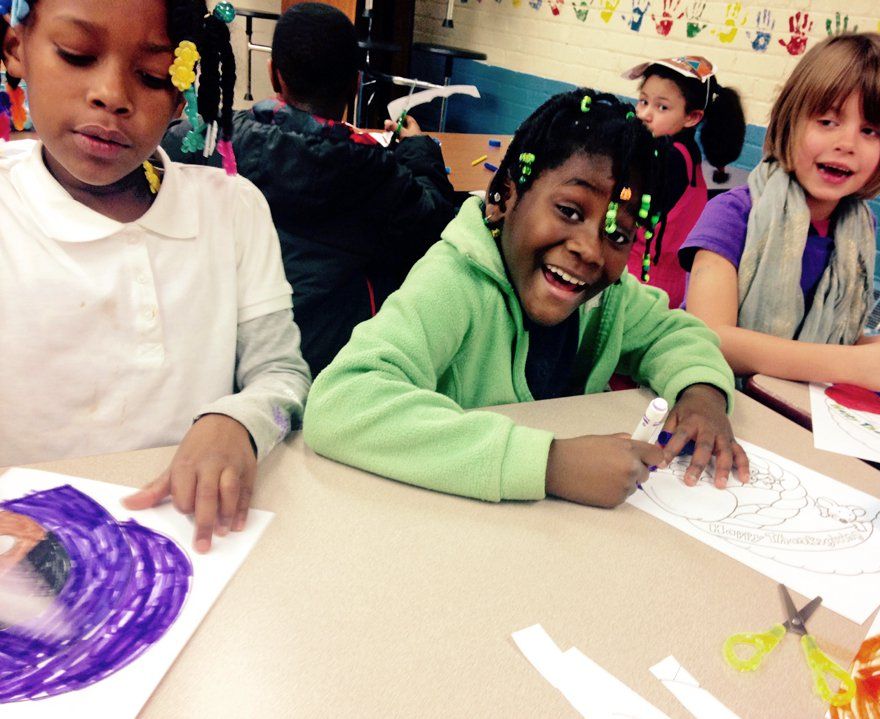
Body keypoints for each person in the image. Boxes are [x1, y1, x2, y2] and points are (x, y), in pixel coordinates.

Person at [303, 89, 750, 509]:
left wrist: (702, 394)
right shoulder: (455, 281)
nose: (591, 250)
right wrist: (551, 464)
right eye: (570, 211)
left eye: (616, 233)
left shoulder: (605, 299)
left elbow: (675, 333)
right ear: (504, 196)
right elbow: (341, 401)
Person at [0, 0, 312, 552]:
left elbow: (282, 376)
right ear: (16, 48)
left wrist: (238, 421)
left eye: (151, 75)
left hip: (191, 545)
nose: (113, 96)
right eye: (76, 55)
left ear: (181, 94)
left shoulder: (232, 210)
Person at [163, 2, 458, 377]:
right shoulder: (374, 175)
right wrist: (419, 147)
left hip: (219, 360)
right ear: (354, 86)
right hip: (329, 370)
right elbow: (436, 226)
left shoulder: (200, 146)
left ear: (274, 76)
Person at [681, 33, 880, 401]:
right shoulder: (733, 214)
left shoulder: (859, 230)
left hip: (796, 414)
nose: (847, 143)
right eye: (827, 121)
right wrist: (853, 362)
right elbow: (710, 337)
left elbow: (822, 334)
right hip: (710, 402)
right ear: (790, 121)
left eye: (870, 131)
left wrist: (871, 347)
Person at [623, 55, 744, 308]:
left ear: (692, 117)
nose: (645, 113)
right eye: (643, 101)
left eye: (662, 107)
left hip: (637, 291)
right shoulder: (687, 154)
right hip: (671, 289)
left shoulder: (666, 158)